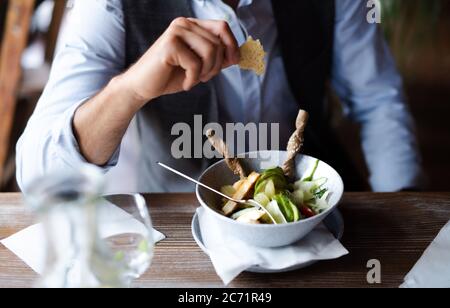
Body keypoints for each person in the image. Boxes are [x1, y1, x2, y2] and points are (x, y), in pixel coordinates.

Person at [16, 0, 423, 193]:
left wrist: (405, 211)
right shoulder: (108, 5)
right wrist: (131, 88)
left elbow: (378, 102)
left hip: (308, 198)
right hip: (178, 214)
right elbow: (38, 173)